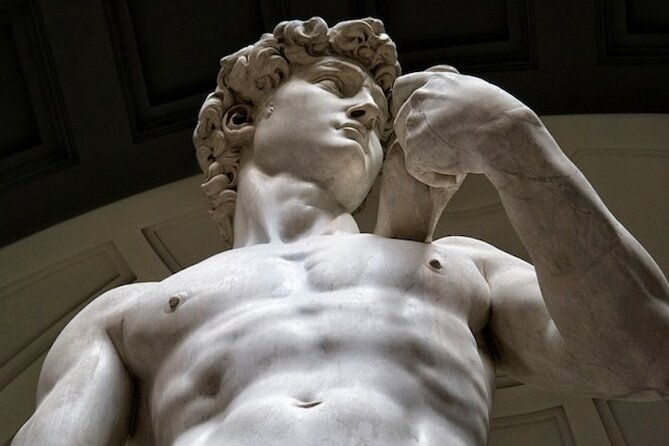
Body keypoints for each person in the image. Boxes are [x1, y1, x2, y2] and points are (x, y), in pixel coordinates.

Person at [12, 17, 668, 446]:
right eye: (335, 85)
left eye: (378, 117)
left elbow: (645, 355)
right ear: (243, 119)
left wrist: (516, 143)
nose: (362, 111)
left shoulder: (460, 266)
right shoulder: (126, 313)